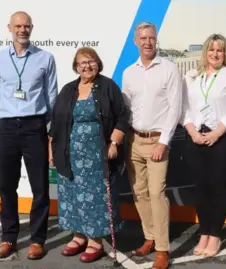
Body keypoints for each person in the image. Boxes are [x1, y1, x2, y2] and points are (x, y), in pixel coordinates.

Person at [48, 47, 129, 263]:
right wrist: (51, 150)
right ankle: (78, 235)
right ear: (76, 67)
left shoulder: (107, 86)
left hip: (97, 154)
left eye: (91, 61)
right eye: (82, 62)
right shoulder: (68, 90)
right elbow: (56, 123)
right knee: (72, 194)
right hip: (70, 153)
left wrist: (114, 142)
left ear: (98, 63)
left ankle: (96, 241)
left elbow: (122, 116)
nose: (87, 66)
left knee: (96, 197)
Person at [0, 11, 58, 260]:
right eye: (18, 25)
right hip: (7, 127)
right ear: (10, 27)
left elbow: (51, 96)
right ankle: (9, 238)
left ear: (32, 28)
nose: (22, 30)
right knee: (7, 186)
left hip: (35, 127)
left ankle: (38, 240)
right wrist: (12, 113)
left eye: (26, 26)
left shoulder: (45, 58)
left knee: (40, 187)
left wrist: (48, 130)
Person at [122, 21, 182, 269]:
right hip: (133, 140)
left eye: (151, 38)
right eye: (143, 38)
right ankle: (150, 237)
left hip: (158, 141)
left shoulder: (169, 68)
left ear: (156, 40)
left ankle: (162, 249)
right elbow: (126, 109)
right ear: (136, 42)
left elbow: (175, 109)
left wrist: (164, 142)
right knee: (139, 193)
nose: (147, 42)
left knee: (157, 194)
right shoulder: (128, 72)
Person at [180, 34, 226, 257]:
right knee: (200, 188)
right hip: (196, 137)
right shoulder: (192, 76)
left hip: (223, 138)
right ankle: (204, 232)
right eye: (211, 50)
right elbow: (184, 108)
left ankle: (215, 235)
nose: (215, 54)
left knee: (217, 186)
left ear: (225, 53)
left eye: (219, 50)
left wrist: (217, 133)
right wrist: (192, 132)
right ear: (205, 52)